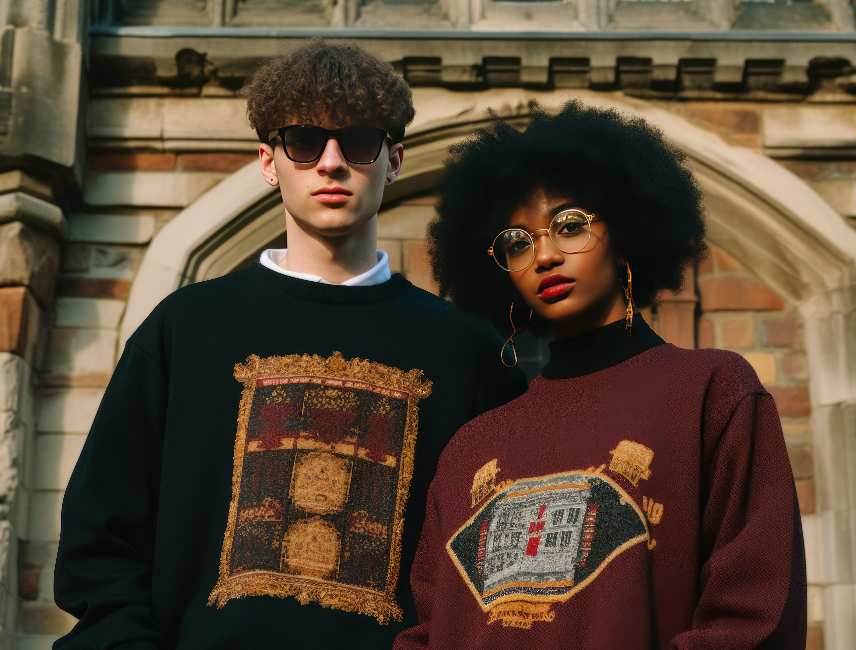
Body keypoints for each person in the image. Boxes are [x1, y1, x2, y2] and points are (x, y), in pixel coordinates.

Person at [53, 41, 524, 649]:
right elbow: (101, 538)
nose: (330, 163)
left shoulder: (465, 352)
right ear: (269, 162)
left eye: (357, 142)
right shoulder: (186, 328)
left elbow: (498, 566)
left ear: (395, 159)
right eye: (304, 142)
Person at [395, 101, 806, 649]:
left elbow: (757, 614)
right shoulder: (471, 447)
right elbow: (429, 631)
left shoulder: (711, 391)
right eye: (517, 241)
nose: (543, 255)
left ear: (627, 228)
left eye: (569, 225)